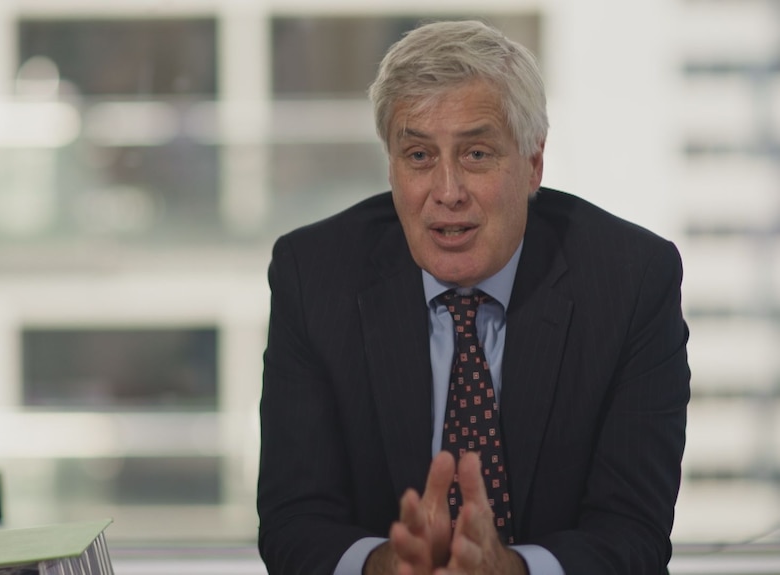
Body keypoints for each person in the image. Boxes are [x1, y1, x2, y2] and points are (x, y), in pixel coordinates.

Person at [257, 19, 690, 575]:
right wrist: (387, 565)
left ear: (533, 163)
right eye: (418, 156)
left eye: (477, 154)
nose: (447, 192)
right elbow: (294, 521)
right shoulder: (313, 276)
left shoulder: (632, 281)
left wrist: (512, 569)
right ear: (390, 165)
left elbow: (634, 534)